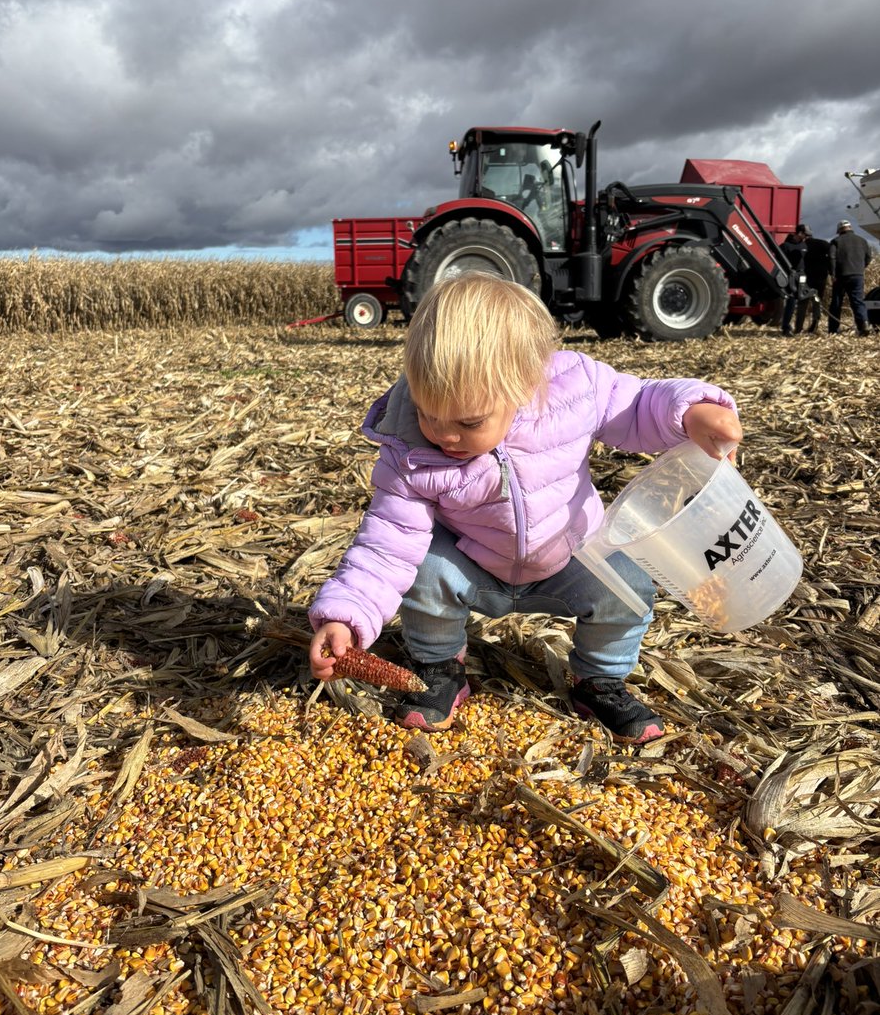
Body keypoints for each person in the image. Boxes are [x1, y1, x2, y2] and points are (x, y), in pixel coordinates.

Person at [308, 273, 742, 746]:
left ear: (526, 382)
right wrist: (346, 615)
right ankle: (439, 667)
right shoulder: (410, 447)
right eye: (428, 412)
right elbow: (386, 544)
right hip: (473, 564)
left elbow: (637, 406)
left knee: (630, 589)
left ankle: (599, 679)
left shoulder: (575, 388)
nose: (444, 434)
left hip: (571, 554)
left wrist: (694, 411)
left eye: (468, 421)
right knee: (424, 570)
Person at [828, 220, 872, 336]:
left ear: (839, 231)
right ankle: (864, 325)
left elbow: (831, 258)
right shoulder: (862, 241)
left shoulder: (836, 241)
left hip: (841, 276)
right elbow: (868, 257)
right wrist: (860, 268)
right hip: (858, 275)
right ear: (850, 228)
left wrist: (832, 274)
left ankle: (833, 329)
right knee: (858, 302)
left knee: (836, 303)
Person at [797, 230, 832, 333]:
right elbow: (832, 256)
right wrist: (829, 270)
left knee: (803, 303)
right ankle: (814, 326)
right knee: (817, 302)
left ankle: (798, 328)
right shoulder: (823, 244)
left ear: (804, 236)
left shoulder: (802, 246)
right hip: (820, 278)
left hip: (806, 278)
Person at [780, 224, 810, 336]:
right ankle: (786, 327)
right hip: (790, 276)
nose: (806, 237)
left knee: (802, 301)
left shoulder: (804, 245)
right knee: (791, 301)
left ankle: (799, 328)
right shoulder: (785, 246)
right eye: (805, 235)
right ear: (799, 233)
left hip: (801, 276)